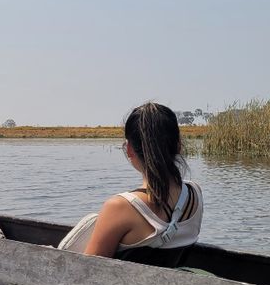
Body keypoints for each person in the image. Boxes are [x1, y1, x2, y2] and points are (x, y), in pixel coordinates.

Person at [48, 102, 203, 267]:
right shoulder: (195, 194)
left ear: (129, 149)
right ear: (178, 145)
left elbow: (88, 272)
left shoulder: (120, 207)